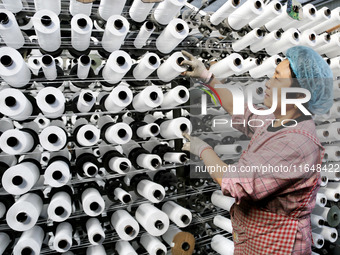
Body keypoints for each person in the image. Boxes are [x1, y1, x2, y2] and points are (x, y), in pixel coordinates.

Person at [180, 46, 334, 255]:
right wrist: (207, 76)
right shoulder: (280, 119)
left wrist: (203, 149)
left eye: (277, 79)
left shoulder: (295, 144)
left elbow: (234, 182)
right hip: (255, 238)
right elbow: (240, 110)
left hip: (276, 246)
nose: (268, 83)